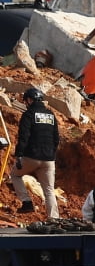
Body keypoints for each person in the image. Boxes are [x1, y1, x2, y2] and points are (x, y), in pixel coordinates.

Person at [11, 86, 59, 219]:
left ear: (30, 100)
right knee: (49, 190)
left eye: (26, 101)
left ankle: (26, 202)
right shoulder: (51, 115)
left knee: (15, 174)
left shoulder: (29, 115)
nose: (25, 104)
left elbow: (24, 136)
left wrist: (19, 154)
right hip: (49, 159)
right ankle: (54, 219)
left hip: (31, 157)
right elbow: (56, 138)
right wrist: (51, 154)